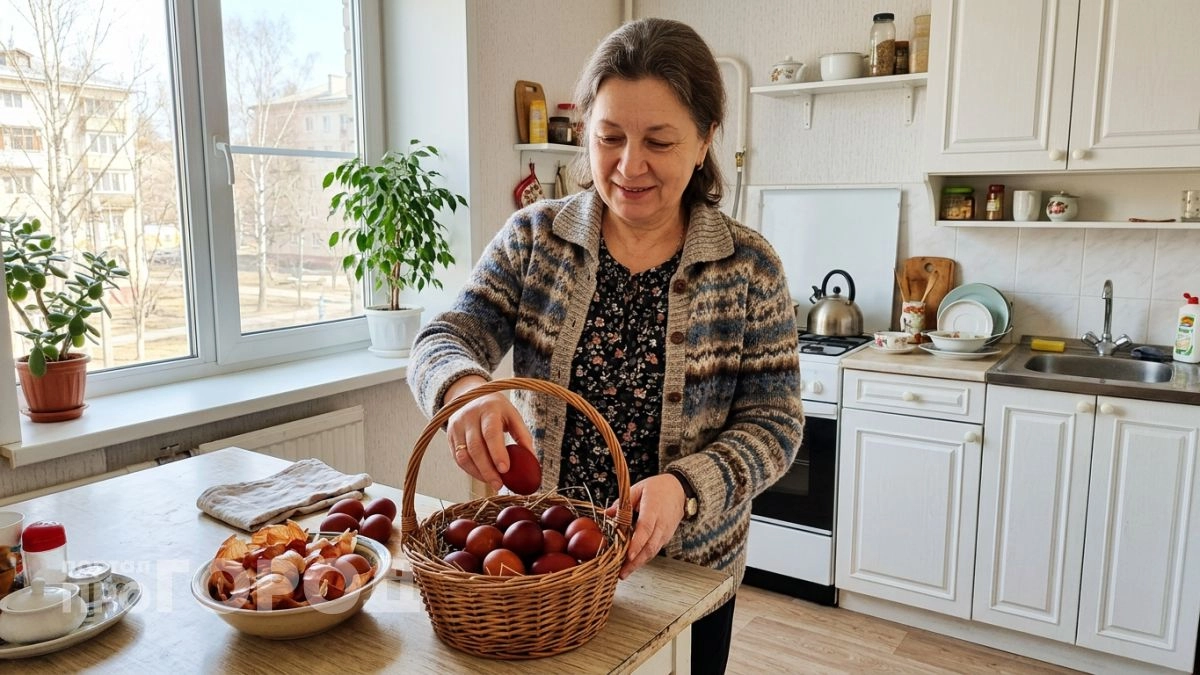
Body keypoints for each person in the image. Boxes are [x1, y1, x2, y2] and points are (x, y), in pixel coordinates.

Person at [408, 17, 803, 673]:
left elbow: (777, 422)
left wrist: (686, 488)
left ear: (705, 140)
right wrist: (462, 387)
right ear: (587, 130)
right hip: (542, 575)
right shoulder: (533, 239)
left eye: (660, 140)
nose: (629, 165)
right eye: (610, 137)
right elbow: (445, 334)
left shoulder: (749, 266)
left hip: (688, 576)